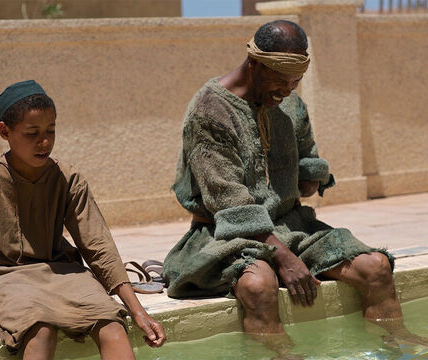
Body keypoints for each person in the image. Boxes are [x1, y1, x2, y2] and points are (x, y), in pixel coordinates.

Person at [163, 20, 426, 356]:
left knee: (376, 268)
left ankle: (398, 345)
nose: (288, 89)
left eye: (296, 80)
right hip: (227, 235)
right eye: (280, 79)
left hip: (293, 225)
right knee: (258, 288)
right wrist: (284, 259)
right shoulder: (209, 111)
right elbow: (228, 204)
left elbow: (306, 155)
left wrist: (310, 174)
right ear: (254, 63)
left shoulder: (289, 102)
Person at [0, 80, 166, 360]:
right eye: (32, 133)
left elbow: (98, 246)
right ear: (4, 131)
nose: (44, 142)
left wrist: (138, 311)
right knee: (41, 327)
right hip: (0, 275)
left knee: (110, 324)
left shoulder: (68, 179)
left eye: (51, 131)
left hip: (58, 271)